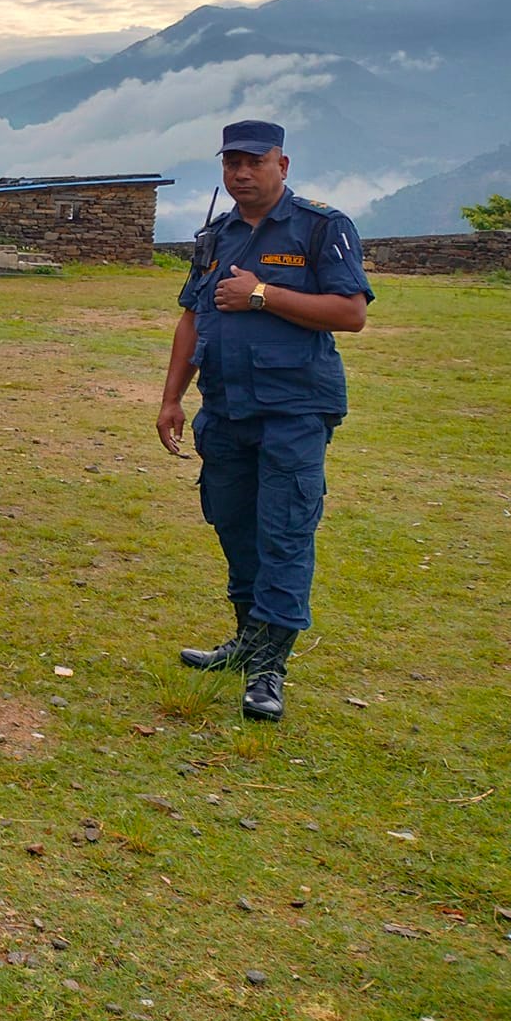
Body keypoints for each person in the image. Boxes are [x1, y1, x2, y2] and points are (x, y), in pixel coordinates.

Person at [156, 120, 372, 723]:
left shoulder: (321, 227)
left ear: (283, 164)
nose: (241, 174)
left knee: (283, 531)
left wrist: (262, 294)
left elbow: (350, 313)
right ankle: (248, 637)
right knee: (232, 522)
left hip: (294, 409)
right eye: (231, 163)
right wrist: (173, 397)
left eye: (254, 162)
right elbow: (192, 319)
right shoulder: (217, 234)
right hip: (225, 407)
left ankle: (269, 668)